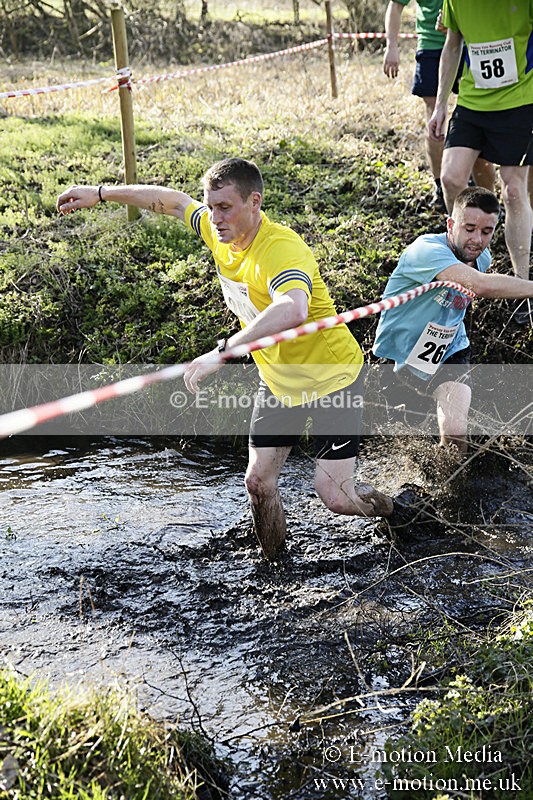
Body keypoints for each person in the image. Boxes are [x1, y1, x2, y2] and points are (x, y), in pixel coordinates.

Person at [57, 158, 409, 559]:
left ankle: (399, 511)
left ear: (254, 202)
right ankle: (275, 564)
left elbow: (292, 309)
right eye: (211, 207)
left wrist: (223, 351)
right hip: (279, 380)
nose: (215, 217)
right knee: (258, 482)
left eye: (225, 207)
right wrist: (101, 194)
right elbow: (171, 202)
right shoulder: (217, 229)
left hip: (332, 377)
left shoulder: (280, 249)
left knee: (336, 497)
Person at [373, 186, 533, 452]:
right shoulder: (425, 250)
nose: (477, 240)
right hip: (399, 354)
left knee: (456, 432)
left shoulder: (482, 257)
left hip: (450, 350)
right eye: (469, 229)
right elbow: (480, 285)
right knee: (405, 441)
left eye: (486, 232)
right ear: (451, 224)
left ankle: (450, 487)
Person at [427, 0, 533, 327]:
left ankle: (521, 286)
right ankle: (468, 266)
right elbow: (452, 44)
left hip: (520, 101)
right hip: (473, 103)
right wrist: (441, 103)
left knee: (514, 191)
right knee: (451, 178)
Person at [383, 0, 495, 209]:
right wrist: (391, 46)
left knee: (476, 115)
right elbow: (395, 6)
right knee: (434, 116)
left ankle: (485, 191)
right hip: (432, 46)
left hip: (471, 42)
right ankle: (439, 185)